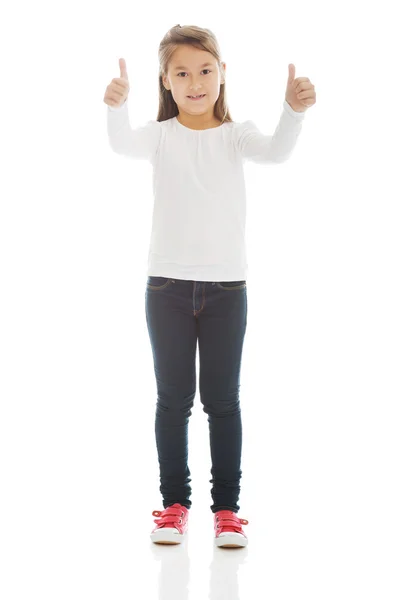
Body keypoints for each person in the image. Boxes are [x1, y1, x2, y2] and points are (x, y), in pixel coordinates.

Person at [104, 23, 316, 548]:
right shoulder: (160, 136)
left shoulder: (236, 134)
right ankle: (174, 506)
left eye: (205, 70)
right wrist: (116, 106)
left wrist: (292, 111)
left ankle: (227, 512)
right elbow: (121, 143)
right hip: (167, 289)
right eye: (182, 73)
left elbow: (277, 152)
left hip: (226, 290)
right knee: (173, 400)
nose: (195, 81)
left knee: (222, 401)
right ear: (166, 81)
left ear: (223, 74)